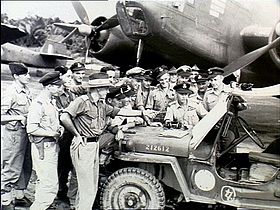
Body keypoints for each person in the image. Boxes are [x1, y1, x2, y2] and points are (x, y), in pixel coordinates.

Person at [60, 73, 156, 210]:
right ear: (98, 89)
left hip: (93, 145)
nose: (107, 91)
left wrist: (142, 113)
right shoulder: (82, 101)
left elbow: (121, 111)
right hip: (84, 145)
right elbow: (64, 117)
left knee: (91, 185)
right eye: (105, 88)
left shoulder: (101, 104)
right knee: (87, 186)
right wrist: (76, 134)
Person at [26, 71, 65, 210]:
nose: (61, 89)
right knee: (50, 185)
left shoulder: (51, 102)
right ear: (48, 86)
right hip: (43, 147)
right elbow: (31, 128)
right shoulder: (39, 104)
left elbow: (51, 122)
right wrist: (52, 132)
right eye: (57, 86)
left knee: (43, 182)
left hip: (51, 146)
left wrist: (59, 128)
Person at [1, 62, 32, 209]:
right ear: (15, 76)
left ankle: (19, 196)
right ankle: (5, 200)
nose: (29, 77)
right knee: (11, 167)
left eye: (28, 74)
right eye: (25, 75)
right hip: (13, 136)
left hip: (26, 134)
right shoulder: (11, 92)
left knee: (26, 166)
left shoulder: (26, 90)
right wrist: (18, 118)